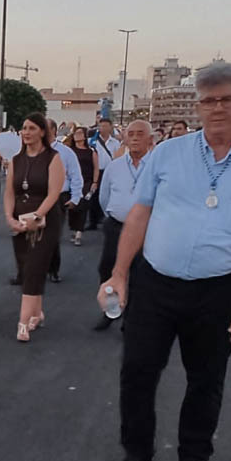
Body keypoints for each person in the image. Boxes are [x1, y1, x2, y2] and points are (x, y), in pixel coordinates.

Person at [99, 63, 231, 461]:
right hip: (155, 284)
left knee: (206, 379)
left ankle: (193, 460)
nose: (217, 108)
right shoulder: (168, 153)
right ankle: (137, 454)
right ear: (198, 106)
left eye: (227, 99)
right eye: (209, 101)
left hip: (219, 290)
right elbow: (140, 214)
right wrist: (119, 273)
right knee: (137, 371)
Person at [5, 112, 65, 342]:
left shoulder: (53, 158)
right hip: (20, 219)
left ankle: (23, 322)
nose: (26, 132)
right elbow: (10, 192)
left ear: (42, 132)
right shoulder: (16, 160)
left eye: (31, 128)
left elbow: (54, 192)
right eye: (24, 128)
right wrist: (9, 217)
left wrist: (37, 216)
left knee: (34, 267)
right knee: (26, 267)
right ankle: (36, 312)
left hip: (45, 221)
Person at [92, 120, 152, 331]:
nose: (135, 138)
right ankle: (110, 310)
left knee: (139, 273)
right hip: (116, 226)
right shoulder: (114, 166)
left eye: (140, 134)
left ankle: (131, 318)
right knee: (107, 268)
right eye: (131, 134)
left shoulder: (156, 167)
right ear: (124, 138)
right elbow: (104, 197)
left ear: (150, 139)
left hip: (146, 231)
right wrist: (114, 214)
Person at [43, 119, 84, 284]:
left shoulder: (65, 152)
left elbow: (75, 175)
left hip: (58, 197)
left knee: (52, 235)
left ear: (54, 131)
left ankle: (53, 270)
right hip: (36, 197)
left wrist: (75, 197)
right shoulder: (32, 150)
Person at [65, 126, 98, 246]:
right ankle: (74, 229)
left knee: (83, 205)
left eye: (80, 133)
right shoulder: (70, 150)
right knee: (73, 206)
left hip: (86, 181)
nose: (77, 135)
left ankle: (79, 232)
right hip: (72, 181)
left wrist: (95, 182)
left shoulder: (91, 151)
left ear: (85, 136)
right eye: (75, 133)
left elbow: (96, 168)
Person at [88, 118, 120, 230]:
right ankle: (93, 222)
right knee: (94, 196)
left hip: (110, 171)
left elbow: (117, 157)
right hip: (96, 171)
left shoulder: (115, 143)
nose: (103, 128)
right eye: (101, 126)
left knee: (108, 195)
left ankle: (106, 217)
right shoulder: (92, 141)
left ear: (111, 127)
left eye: (105, 126)